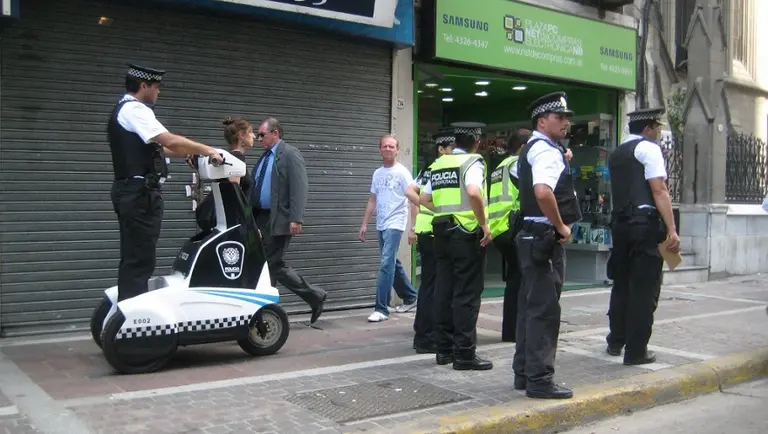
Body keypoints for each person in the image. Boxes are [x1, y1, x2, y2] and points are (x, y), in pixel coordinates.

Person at [108, 64, 223, 302]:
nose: (158, 92)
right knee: (139, 258)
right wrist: (208, 150)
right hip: (138, 194)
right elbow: (169, 139)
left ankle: (129, 312)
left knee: (138, 255)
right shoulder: (135, 110)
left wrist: (194, 154)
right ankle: (133, 322)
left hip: (136, 192)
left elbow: (163, 148)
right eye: (156, 87)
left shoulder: (128, 111)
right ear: (143, 86)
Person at [514, 92, 582, 399]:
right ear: (542, 121)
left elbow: (524, 181)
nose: (566, 122)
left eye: (567, 117)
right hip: (544, 238)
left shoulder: (531, 149)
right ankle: (540, 380)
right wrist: (560, 226)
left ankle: (523, 373)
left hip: (528, 236)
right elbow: (542, 191)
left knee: (529, 307)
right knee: (544, 311)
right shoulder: (546, 151)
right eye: (560, 117)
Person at [605, 107, 680, 365]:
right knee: (644, 288)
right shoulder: (649, 149)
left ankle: (616, 341)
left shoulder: (617, 153)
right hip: (644, 226)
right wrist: (671, 229)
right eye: (657, 127)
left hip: (620, 225)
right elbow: (659, 190)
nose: (659, 132)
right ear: (648, 128)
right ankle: (636, 351)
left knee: (621, 284)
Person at [419, 124, 493, 371]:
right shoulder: (473, 162)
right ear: (475, 142)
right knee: (467, 294)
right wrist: (483, 224)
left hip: (440, 232)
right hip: (465, 234)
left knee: (443, 290)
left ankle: (444, 350)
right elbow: (473, 192)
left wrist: (445, 213)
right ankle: (464, 354)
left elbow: (423, 199)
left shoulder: (438, 164)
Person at [251, 117, 327, 323]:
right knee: (265, 264)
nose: (258, 139)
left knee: (273, 263)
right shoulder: (265, 157)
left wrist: (296, 218)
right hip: (260, 218)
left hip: (280, 218)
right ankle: (267, 310)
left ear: (275, 133)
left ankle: (312, 296)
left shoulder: (290, 154)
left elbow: (299, 187)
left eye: (262, 135)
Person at [358, 135, 420, 323]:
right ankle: (410, 297)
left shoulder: (402, 172)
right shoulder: (377, 174)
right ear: (380, 150)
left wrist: (413, 227)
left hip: (395, 223)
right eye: (384, 146)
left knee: (386, 264)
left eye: (391, 146)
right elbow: (372, 200)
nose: (387, 149)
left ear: (397, 149)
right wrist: (364, 224)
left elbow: (413, 199)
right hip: (381, 222)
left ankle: (381, 308)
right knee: (392, 262)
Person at [406, 128, 456, 352]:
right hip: (436, 232)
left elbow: (410, 191)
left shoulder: (429, 170)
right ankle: (427, 337)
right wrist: (434, 208)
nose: (454, 152)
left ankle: (424, 334)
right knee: (434, 287)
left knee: (429, 285)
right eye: (450, 148)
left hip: (428, 232)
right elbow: (409, 192)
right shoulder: (439, 168)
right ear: (441, 149)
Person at [488, 129, 530, 342]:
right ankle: (516, 331)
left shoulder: (500, 166)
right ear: (523, 147)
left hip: (499, 229)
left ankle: (510, 331)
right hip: (513, 228)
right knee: (522, 280)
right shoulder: (518, 164)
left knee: (515, 279)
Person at [194, 117, 256, 230]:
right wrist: (251, 226)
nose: (254, 136)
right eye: (251, 132)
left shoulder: (226, 158)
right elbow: (233, 194)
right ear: (241, 135)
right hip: (231, 223)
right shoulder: (237, 159)